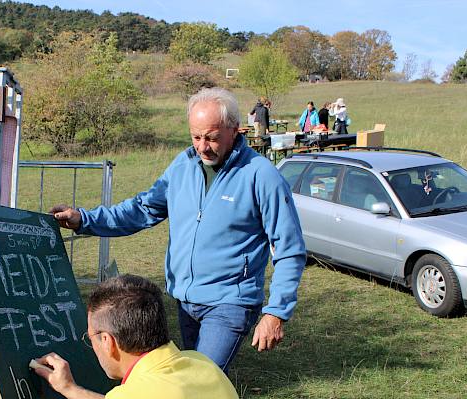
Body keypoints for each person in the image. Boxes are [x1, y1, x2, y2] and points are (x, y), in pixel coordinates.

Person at [49, 87, 307, 372]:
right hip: (184, 301)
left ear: (234, 130)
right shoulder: (183, 166)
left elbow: (289, 248)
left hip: (229, 303)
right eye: (196, 137)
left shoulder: (261, 175)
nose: (202, 147)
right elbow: (142, 209)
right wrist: (84, 220)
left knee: (198, 384)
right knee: (192, 382)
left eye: (212, 137)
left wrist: (276, 312)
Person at [33, 275, 239, 399]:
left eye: (91, 338)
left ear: (107, 341)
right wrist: (70, 389)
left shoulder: (135, 393)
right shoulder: (203, 363)